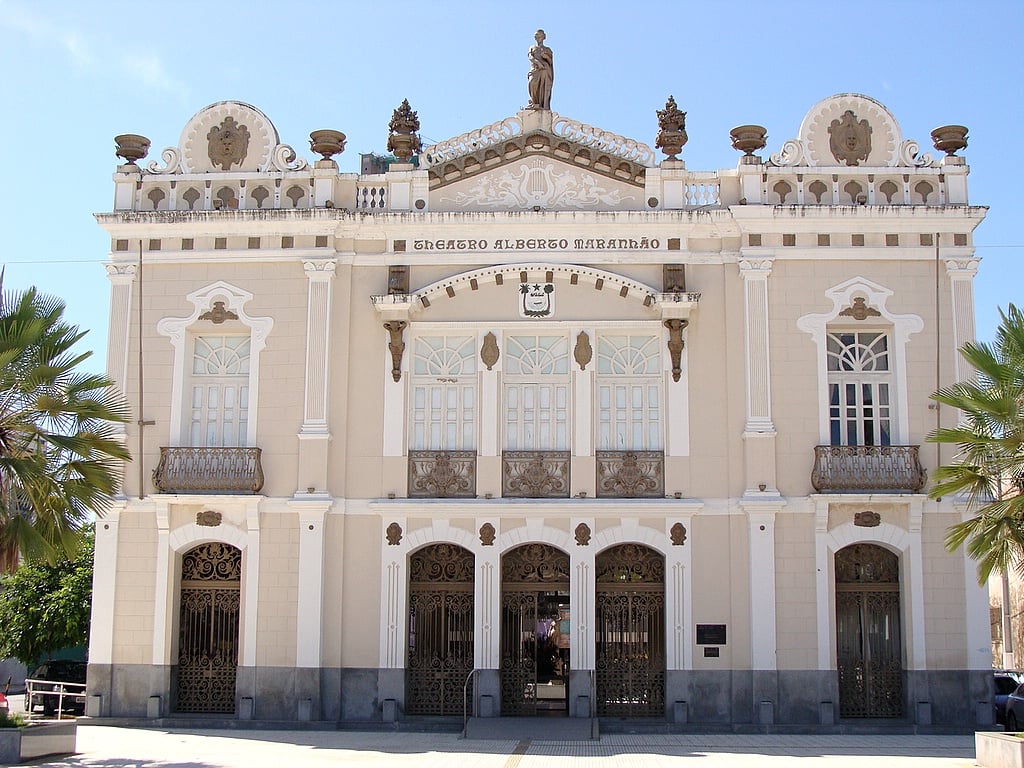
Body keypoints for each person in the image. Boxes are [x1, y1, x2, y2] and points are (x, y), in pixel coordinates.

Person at [527, 29, 553, 110]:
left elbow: (550, 61)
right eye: (536, 36)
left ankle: (542, 105)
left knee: (543, 86)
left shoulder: (547, 49)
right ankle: (534, 102)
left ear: (544, 37)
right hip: (535, 69)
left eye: (540, 36)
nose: (538, 37)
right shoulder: (532, 47)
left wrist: (546, 57)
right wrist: (538, 63)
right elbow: (530, 57)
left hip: (545, 70)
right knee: (532, 83)